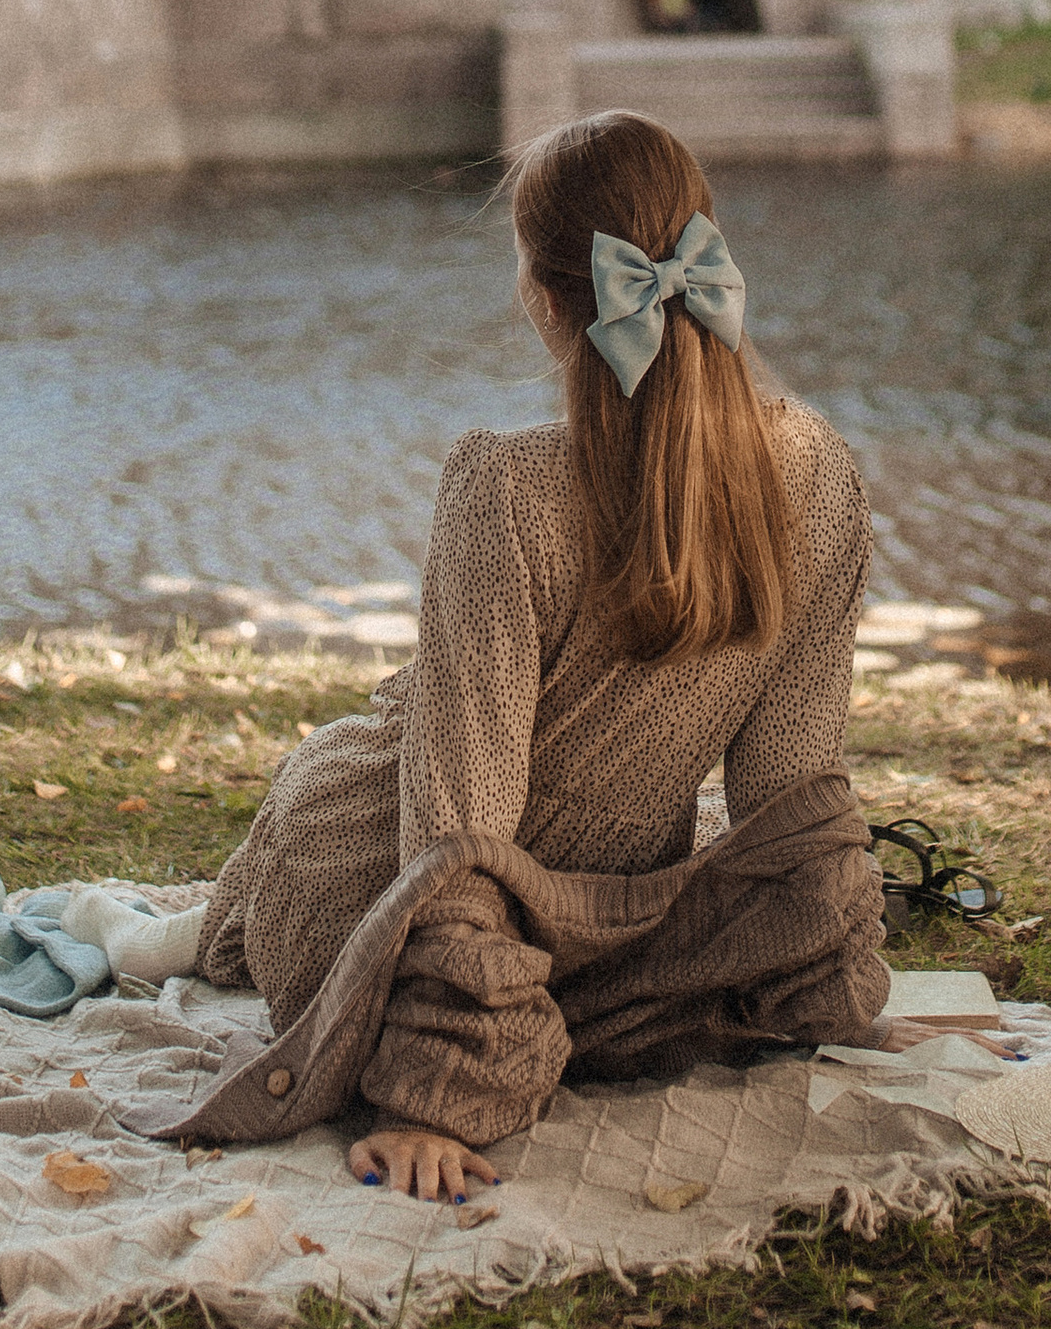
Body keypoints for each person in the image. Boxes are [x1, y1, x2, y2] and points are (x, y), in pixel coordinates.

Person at [194, 109, 884, 1198]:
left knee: (323, 786)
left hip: (393, 873)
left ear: (544, 297)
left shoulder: (506, 489)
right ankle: (198, 924)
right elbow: (792, 781)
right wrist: (831, 979)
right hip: (480, 890)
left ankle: (197, 924)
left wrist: (434, 1091)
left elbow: (457, 828)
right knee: (326, 789)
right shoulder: (822, 471)